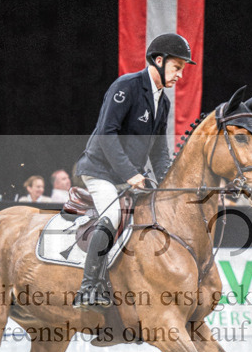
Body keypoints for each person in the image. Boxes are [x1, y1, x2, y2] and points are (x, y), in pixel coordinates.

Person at [72, 32, 193, 309]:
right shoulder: (125, 86)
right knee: (113, 215)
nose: (180, 76)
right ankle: (89, 286)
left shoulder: (163, 101)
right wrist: (131, 174)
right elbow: (106, 134)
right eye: (177, 68)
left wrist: (166, 185)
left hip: (129, 178)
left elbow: (160, 152)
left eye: (182, 70)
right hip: (100, 171)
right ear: (159, 61)